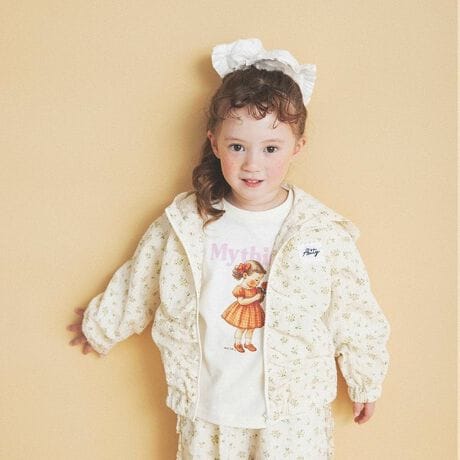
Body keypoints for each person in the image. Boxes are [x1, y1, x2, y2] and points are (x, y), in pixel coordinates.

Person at [67, 38, 391, 459]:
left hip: (294, 413)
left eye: (270, 148)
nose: (252, 164)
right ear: (215, 143)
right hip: (210, 408)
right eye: (237, 146)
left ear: (297, 147)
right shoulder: (187, 222)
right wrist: (102, 323)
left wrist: (365, 379)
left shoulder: (320, 231)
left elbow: (354, 309)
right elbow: (143, 277)